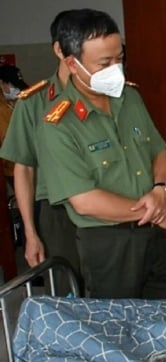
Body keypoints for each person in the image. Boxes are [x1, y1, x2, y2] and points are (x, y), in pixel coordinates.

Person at [34, 8, 166, 299]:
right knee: (117, 330)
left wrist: (160, 189)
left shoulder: (130, 98)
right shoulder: (58, 125)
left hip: (157, 236)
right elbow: (85, 202)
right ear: (73, 64)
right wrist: (158, 213)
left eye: (120, 58)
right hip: (109, 245)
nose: (116, 69)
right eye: (105, 63)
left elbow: (159, 152)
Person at [0, 11, 82, 289]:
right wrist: (30, 233)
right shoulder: (33, 103)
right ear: (59, 49)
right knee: (66, 291)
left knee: (113, 293)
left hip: (109, 208)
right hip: (58, 212)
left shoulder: (113, 97)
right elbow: (23, 169)